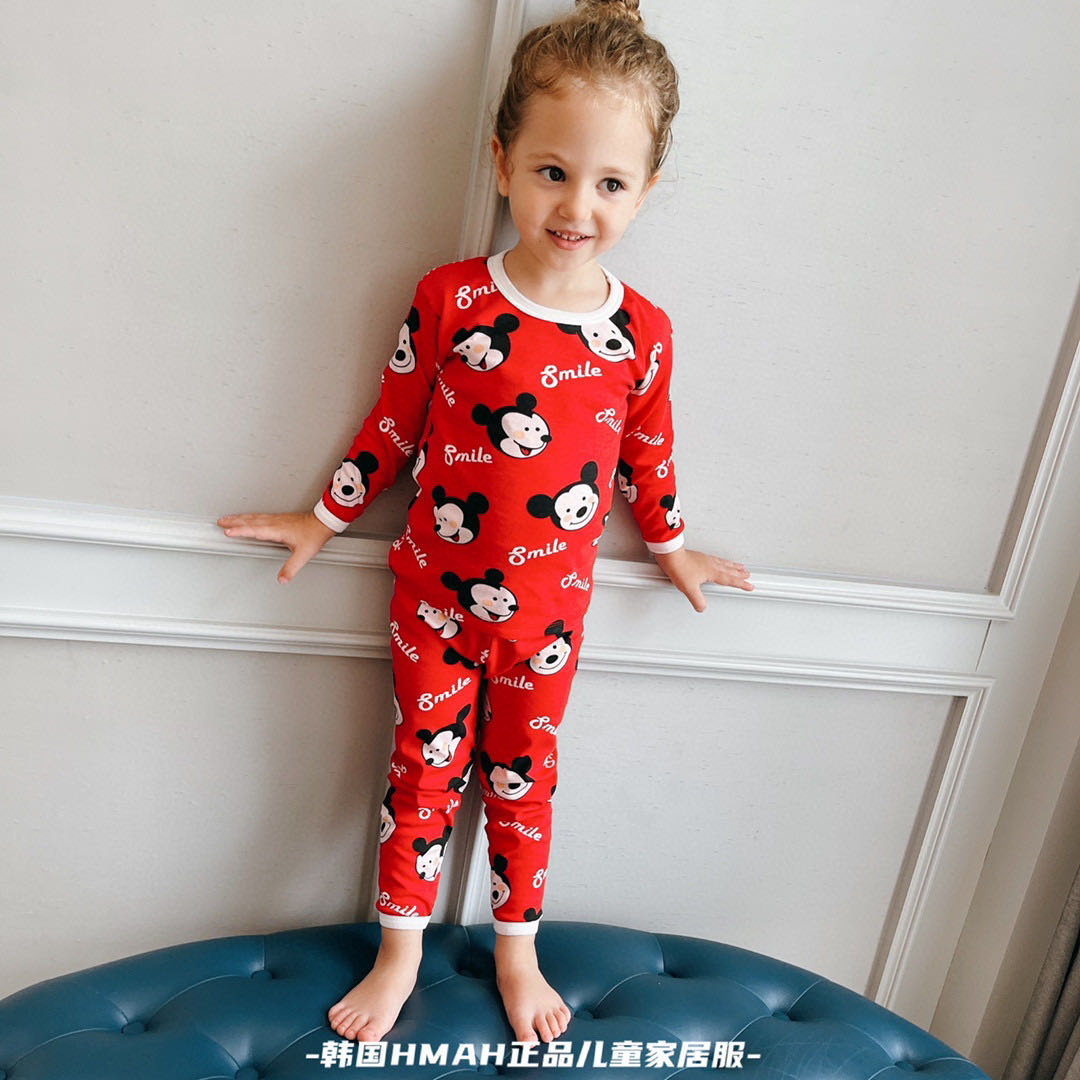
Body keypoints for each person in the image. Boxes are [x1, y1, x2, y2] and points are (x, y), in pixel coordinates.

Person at [218, 0, 753, 1047]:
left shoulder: (642, 334)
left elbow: (648, 456)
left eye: (610, 184)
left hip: (547, 621)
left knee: (524, 785)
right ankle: (400, 950)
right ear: (503, 162)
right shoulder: (452, 300)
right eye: (553, 172)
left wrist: (673, 546)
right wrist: (320, 521)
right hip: (434, 605)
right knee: (419, 775)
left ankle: (518, 951)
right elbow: (392, 425)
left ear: (647, 190)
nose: (577, 205)